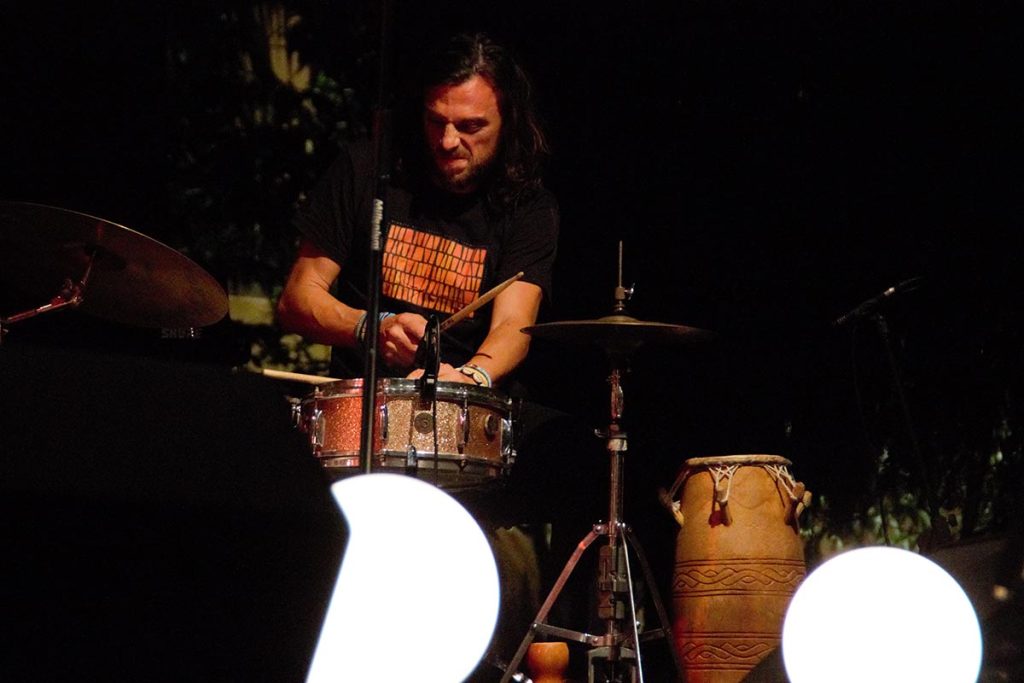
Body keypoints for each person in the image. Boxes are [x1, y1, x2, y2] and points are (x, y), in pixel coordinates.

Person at [276, 32, 557, 391]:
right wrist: (372, 328)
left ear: (508, 122)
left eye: (470, 126)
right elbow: (297, 300)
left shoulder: (529, 207)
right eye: (436, 121)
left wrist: (468, 378)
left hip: (460, 406)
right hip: (360, 403)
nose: (448, 141)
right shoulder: (368, 170)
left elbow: (513, 325)